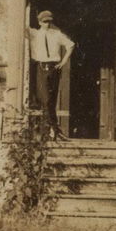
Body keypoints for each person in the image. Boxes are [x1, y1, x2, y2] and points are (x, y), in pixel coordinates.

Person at [27, 9, 74, 138]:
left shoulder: (57, 34)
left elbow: (70, 45)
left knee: (52, 100)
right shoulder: (34, 34)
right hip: (41, 67)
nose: (47, 24)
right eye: (44, 22)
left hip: (54, 68)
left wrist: (64, 61)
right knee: (45, 98)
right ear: (39, 22)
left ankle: (52, 130)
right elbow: (19, 26)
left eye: (49, 21)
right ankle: (53, 128)